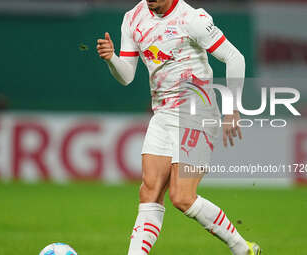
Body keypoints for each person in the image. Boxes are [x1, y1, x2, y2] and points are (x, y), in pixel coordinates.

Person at [97, 0, 261, 254]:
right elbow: (127, 76)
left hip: (196, 111)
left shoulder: (191, 19)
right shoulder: (132, 18)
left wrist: (233, 108)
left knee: (182, 197)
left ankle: (241, 248)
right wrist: (111, 59)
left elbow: (234, 57)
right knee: (149, 192)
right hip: (162, 113)